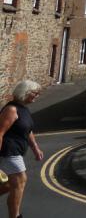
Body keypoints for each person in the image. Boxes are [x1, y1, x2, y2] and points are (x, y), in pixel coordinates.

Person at [0, 80, 43, 218]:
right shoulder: (11, 109)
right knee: (20, 180)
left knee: (7, 186)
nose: (36, 97)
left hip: (17, 151)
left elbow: (27, 130)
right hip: (8, 151)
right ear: (25, 93)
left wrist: (35, 148)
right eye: (34, 94)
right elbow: (0, 133)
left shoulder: (24, 109)